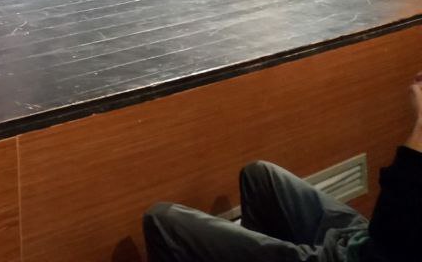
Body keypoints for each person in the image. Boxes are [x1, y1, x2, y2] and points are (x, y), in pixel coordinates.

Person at [143, 72, 422, 262]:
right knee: (260, 177)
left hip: (378, 253)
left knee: (164, 222)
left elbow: (394, 236)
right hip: (368, 240)